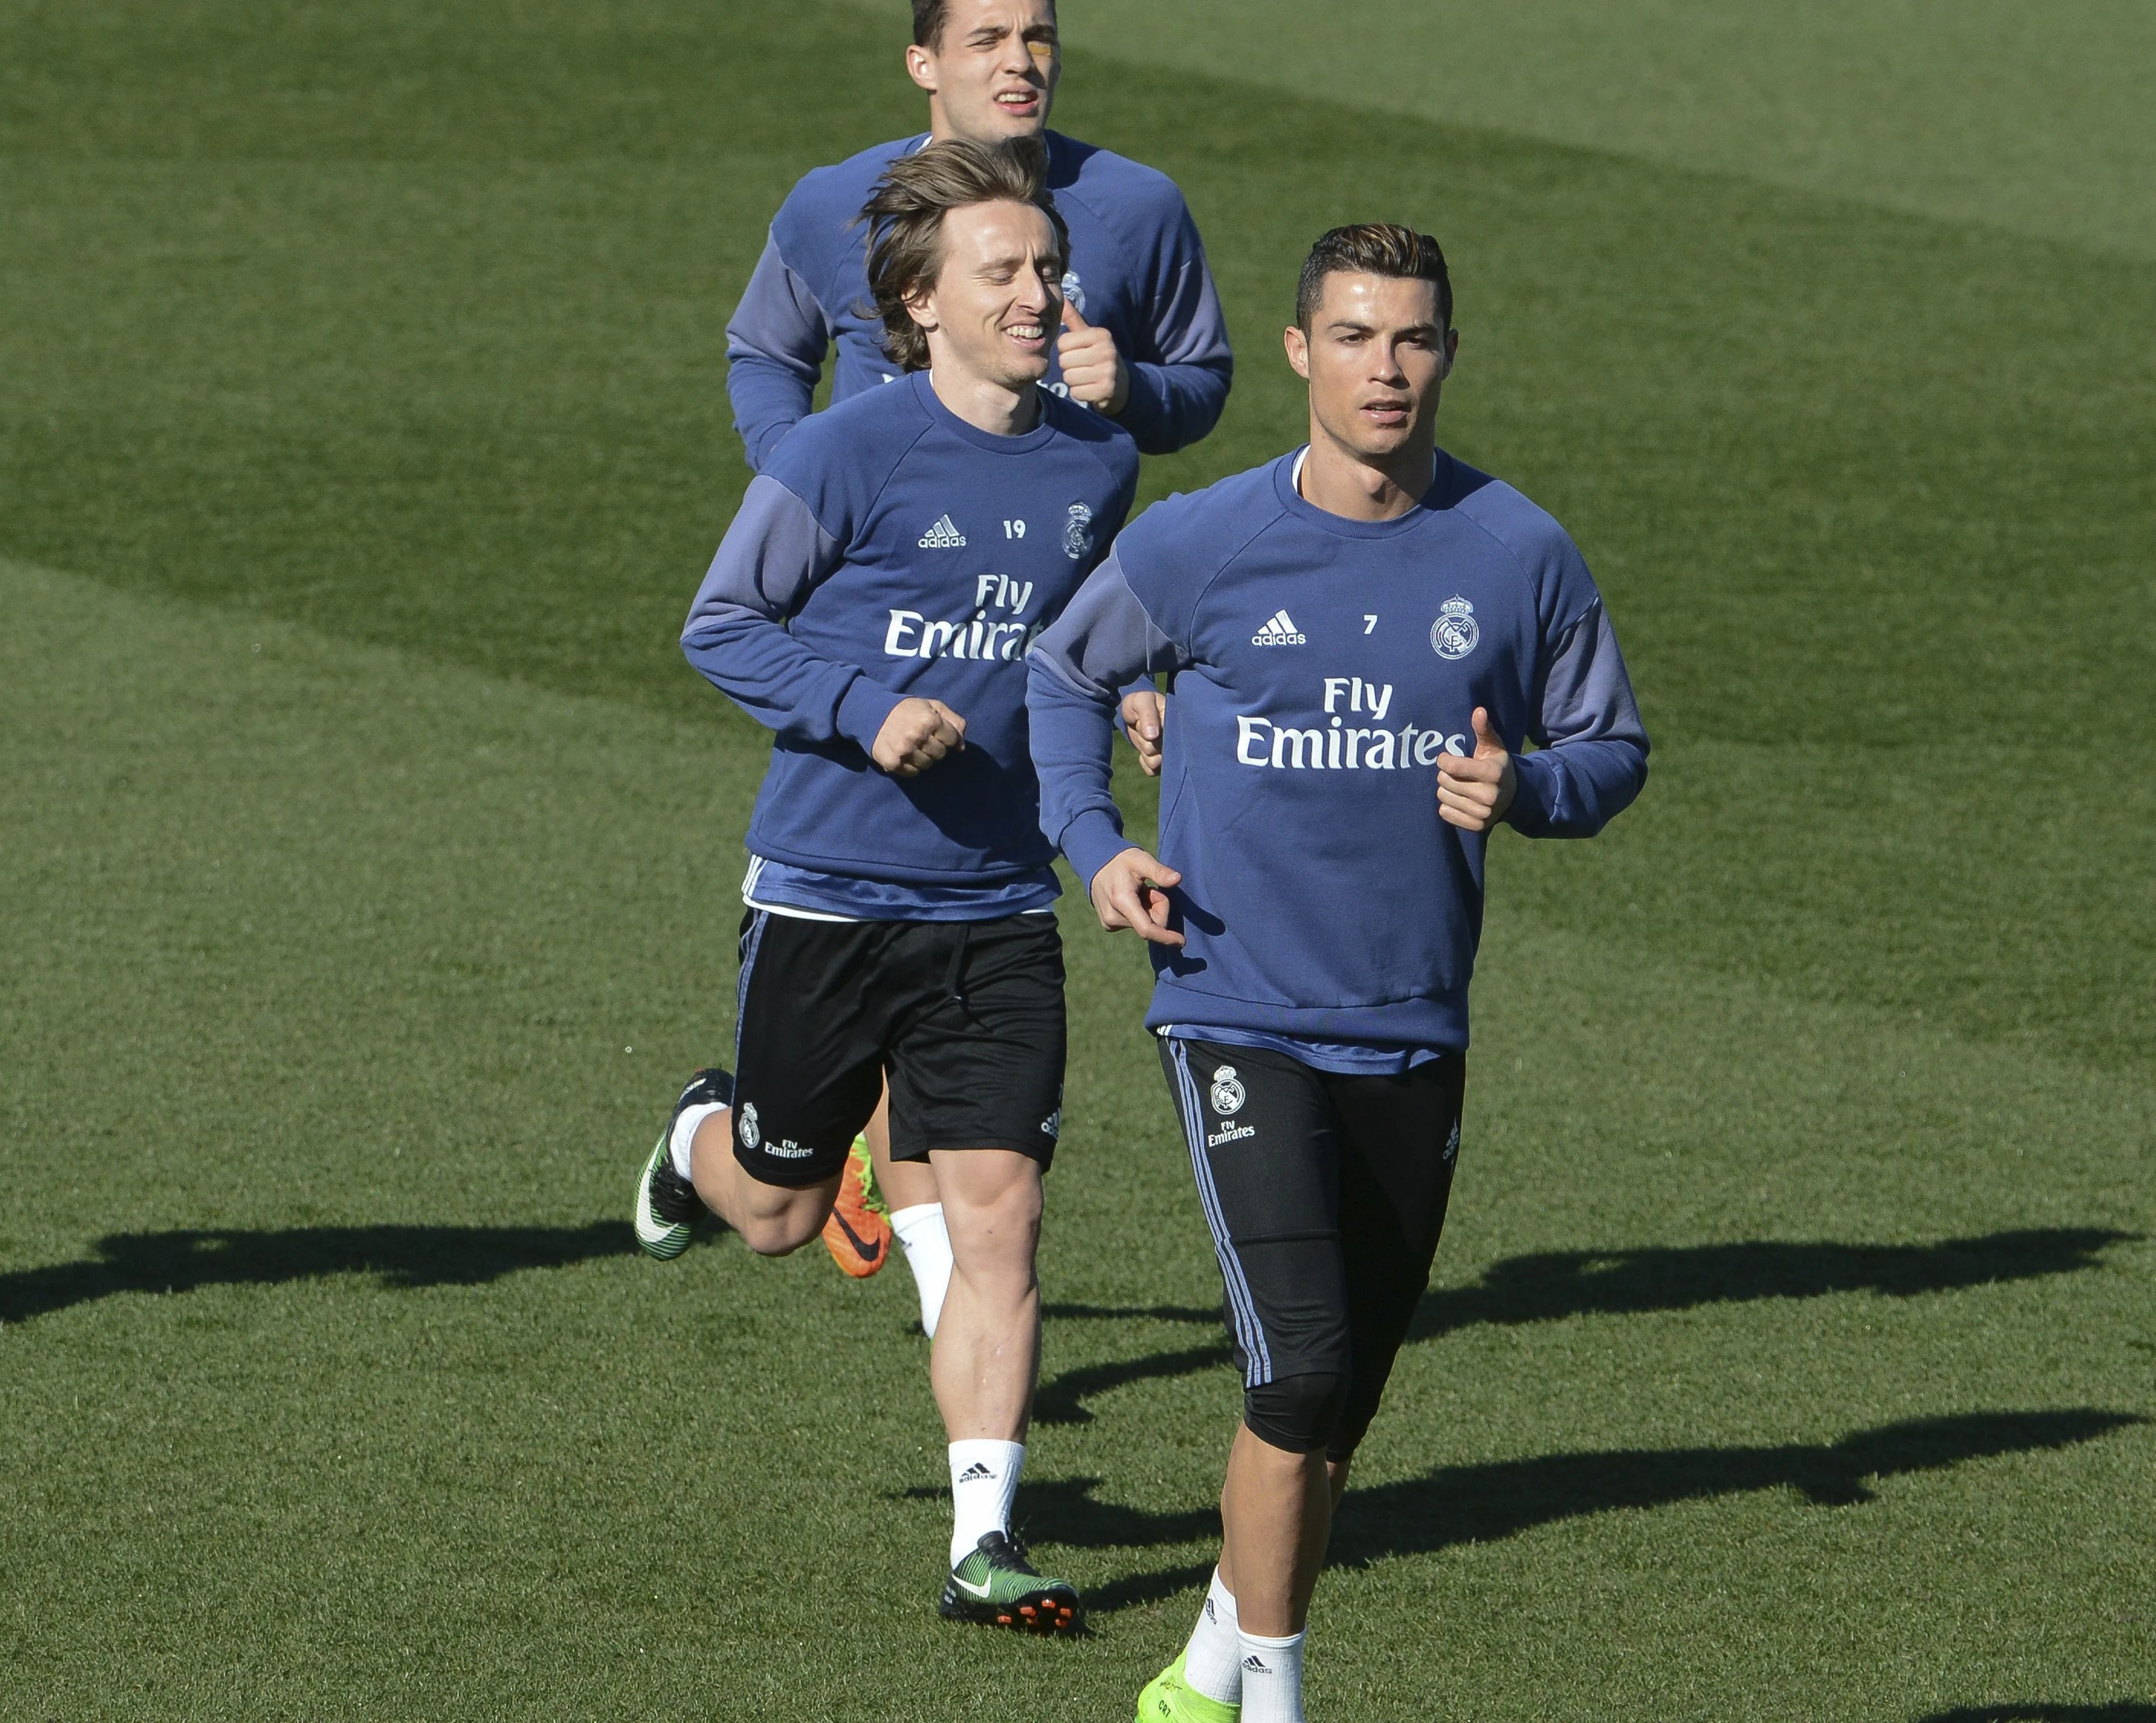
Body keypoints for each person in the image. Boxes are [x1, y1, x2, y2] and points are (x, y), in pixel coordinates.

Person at [1024, 225, 1647, 1719]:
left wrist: (1530, 793)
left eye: (1415, 338)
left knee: (1336, 1405)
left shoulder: (1517, 551)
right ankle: (1278, 1696)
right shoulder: (1202, 540)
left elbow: (1611, 746)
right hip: (1234, 1002)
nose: (1388, 367)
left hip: (1415, 1020)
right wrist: (1097, 845)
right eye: (1357, 336)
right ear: (1301, 351)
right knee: (1299, 1373)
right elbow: (1063, 671)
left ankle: (1209, 1657)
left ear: (1447, 352)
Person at [635, 136, 1142, 1630]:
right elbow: (720, 626)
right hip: (831, 895)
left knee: (1002, 1218)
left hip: (998, 904)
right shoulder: (839, 453)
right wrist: (862, 707)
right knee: (783, 1208)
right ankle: (693, 1142)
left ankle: (983, 1538)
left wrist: (1135, 692)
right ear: (921, 303)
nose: (1042, 294)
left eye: (1048, 266)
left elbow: (1081, 640)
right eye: (1007, 272)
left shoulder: (1098, 460)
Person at [723, 0, 1229, 1306]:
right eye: (988, 37)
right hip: (887, 619)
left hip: (1023, 603)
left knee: (959, 938)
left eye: (1038, 35)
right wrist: (805, 492)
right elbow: (760, 351)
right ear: (923, 63)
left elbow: (1197, 387)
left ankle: (964, 1327)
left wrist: (1137, 390)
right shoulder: (832, 201)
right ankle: (940, 1290)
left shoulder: (1138, 205)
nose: (1019, 61)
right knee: (898, 897)